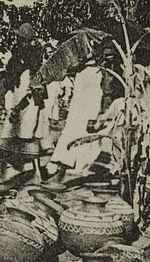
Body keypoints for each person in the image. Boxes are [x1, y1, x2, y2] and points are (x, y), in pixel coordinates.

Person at [0, 24, 48, 185]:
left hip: (27, 104)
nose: (18, 41)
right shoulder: (24, 61)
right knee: (22, 138)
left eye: (20, 38)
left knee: (17, 137)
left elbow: (32, 90)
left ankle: (8, 174)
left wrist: (19, 107)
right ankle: (34, 174)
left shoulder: (30, 65)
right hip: (24, 102)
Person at [45, 51, 106, 184]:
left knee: (83, 141)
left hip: (86, 114)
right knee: (70, 138)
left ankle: (78, 168)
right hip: (76, 113)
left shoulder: (94, 73)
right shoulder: (82, 72)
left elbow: (96, 96)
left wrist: (92, 117)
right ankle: (63, 167)